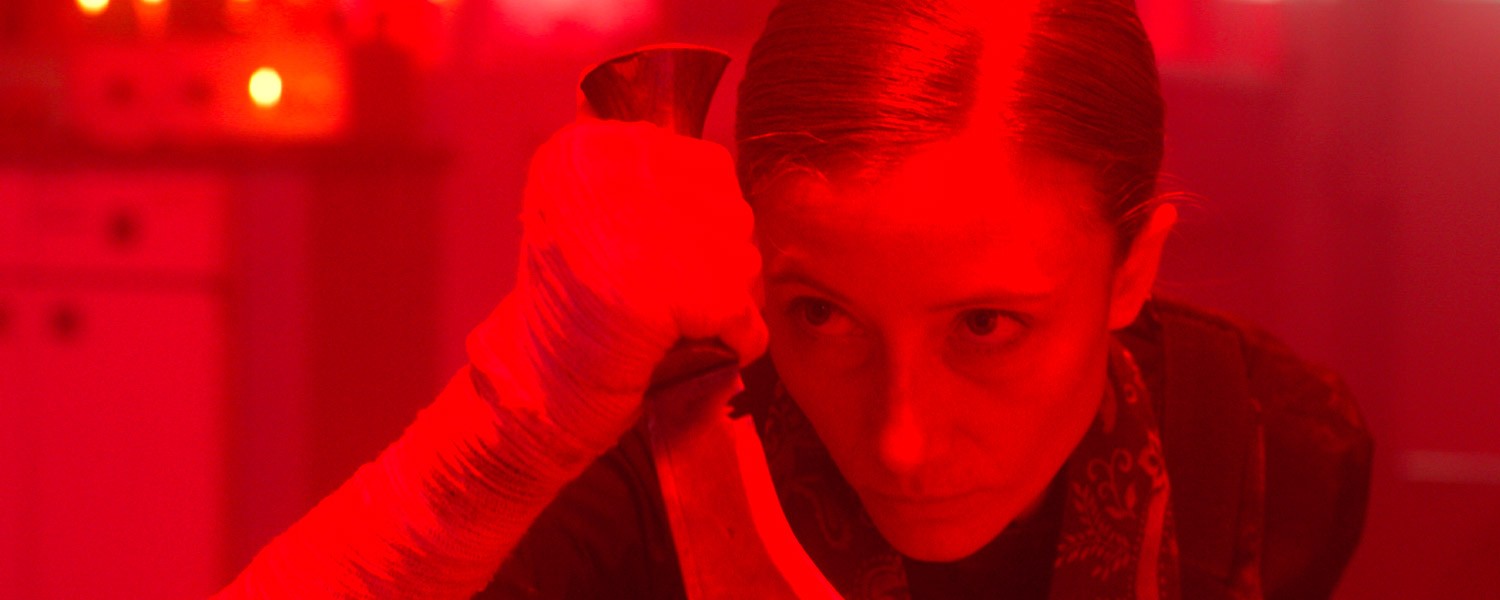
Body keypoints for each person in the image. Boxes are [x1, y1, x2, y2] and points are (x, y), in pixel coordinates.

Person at [217, 0, 1372, 598]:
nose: (902, 440)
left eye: (986, 327)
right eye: (822, 315)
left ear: (1133, 271)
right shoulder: (657, 469)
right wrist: (516, 423)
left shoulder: (1268, 457)